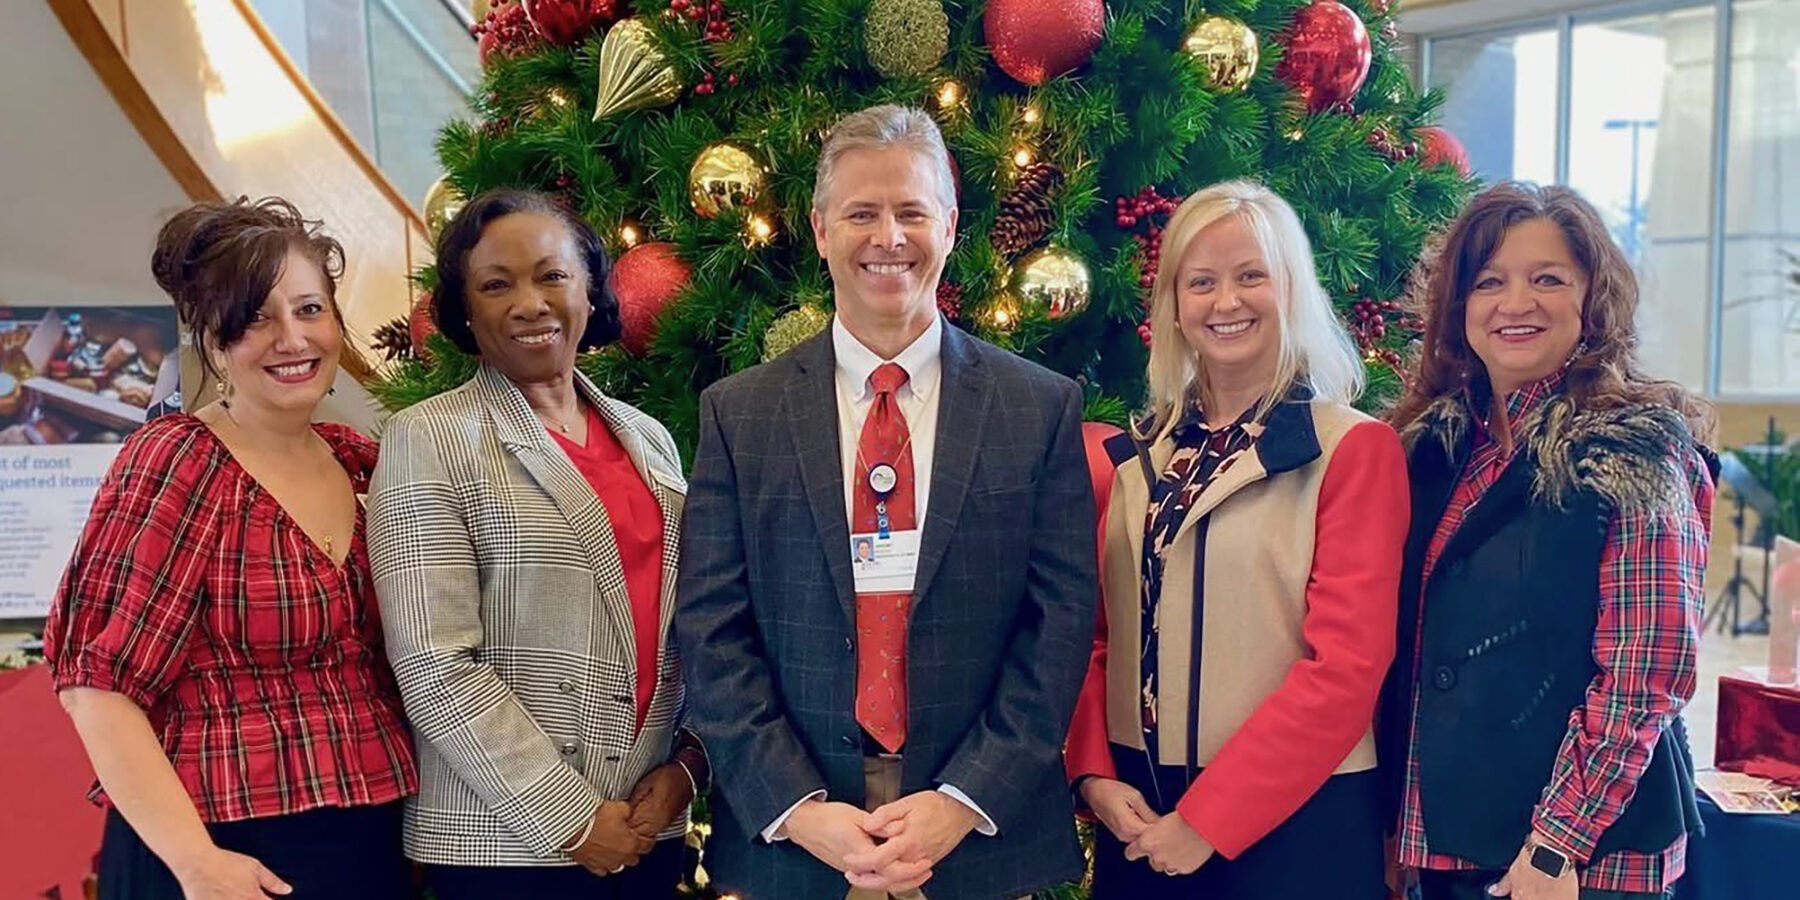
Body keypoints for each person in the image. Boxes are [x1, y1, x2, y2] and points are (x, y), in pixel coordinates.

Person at [675, 104, 1098, 900]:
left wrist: (962, 801)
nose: (888, 237)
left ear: (950, 222)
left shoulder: (1037, 408)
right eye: (862, 213)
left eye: (911, 212)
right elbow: (710, 626)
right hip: (800, 843)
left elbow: (1060, 623)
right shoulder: (742, 413)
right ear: (821, 228)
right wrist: (798, 808)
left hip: (975, 838)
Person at [44, 197, 417, 899]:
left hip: (363, 846)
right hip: (216, 855)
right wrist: (197, 864)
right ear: (213, 341)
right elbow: (98, 689)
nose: (291, 338)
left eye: (309, 310)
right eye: (254, 319)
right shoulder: (180, 461)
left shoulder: (364, 463)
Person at [1062, 180, 1408, 899]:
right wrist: (1094, 774)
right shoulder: (1139, 457)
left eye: (1252, 276)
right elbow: (1096, 639)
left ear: (1293, 290)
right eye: (1202, 283)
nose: (1227, 302)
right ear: (1175, 309)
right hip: (1141, 820)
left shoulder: (1352, 450)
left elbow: (1345, 668)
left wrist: (1210, 821)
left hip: (1296, 830)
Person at [368, 189, 707, 900]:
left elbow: (693, 630)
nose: (529, 303)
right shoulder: (427, 439)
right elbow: (433, 663)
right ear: (464, 310)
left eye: (551, 275)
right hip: (505, 845)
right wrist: (574, 819)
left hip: (647, 829)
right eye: (497, 284)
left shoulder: (649, 438)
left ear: (589, 287)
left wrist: (685, 773)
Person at [1380, 182, 1716, 900]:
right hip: (1447, 849)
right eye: (1489, 282)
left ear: (1593, 299)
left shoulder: (1635, 449)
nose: (1515, 303)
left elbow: (1645, 671)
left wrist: (1557, 846)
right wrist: (1396, 832)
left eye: (1548, 279)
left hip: (1575, 864)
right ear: (1458, 305)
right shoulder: (1433, 449)